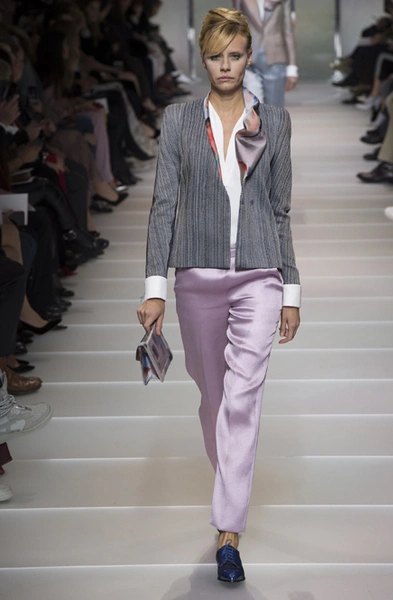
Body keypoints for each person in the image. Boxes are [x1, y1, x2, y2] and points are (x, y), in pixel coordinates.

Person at [137, 7, 301, 584]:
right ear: (202, 59)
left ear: (249, 57)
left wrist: (290, 290)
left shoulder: (273, 121)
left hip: (259, 274)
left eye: (235, 55)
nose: (226, 66)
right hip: (197, 276)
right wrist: (155, 288)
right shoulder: (180, 120)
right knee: (213, 399)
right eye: (215, 56)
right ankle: (229, 483)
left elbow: (280, 209)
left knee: (242, 401)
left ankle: (229, 533)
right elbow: (163, 205)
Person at [233, 0, 298, 107]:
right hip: (250, 61)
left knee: (274, 108)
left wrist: (292, 67)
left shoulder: (282, 2)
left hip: (275, 59)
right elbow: (236, 28)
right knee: (253, 107)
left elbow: (288, 32)